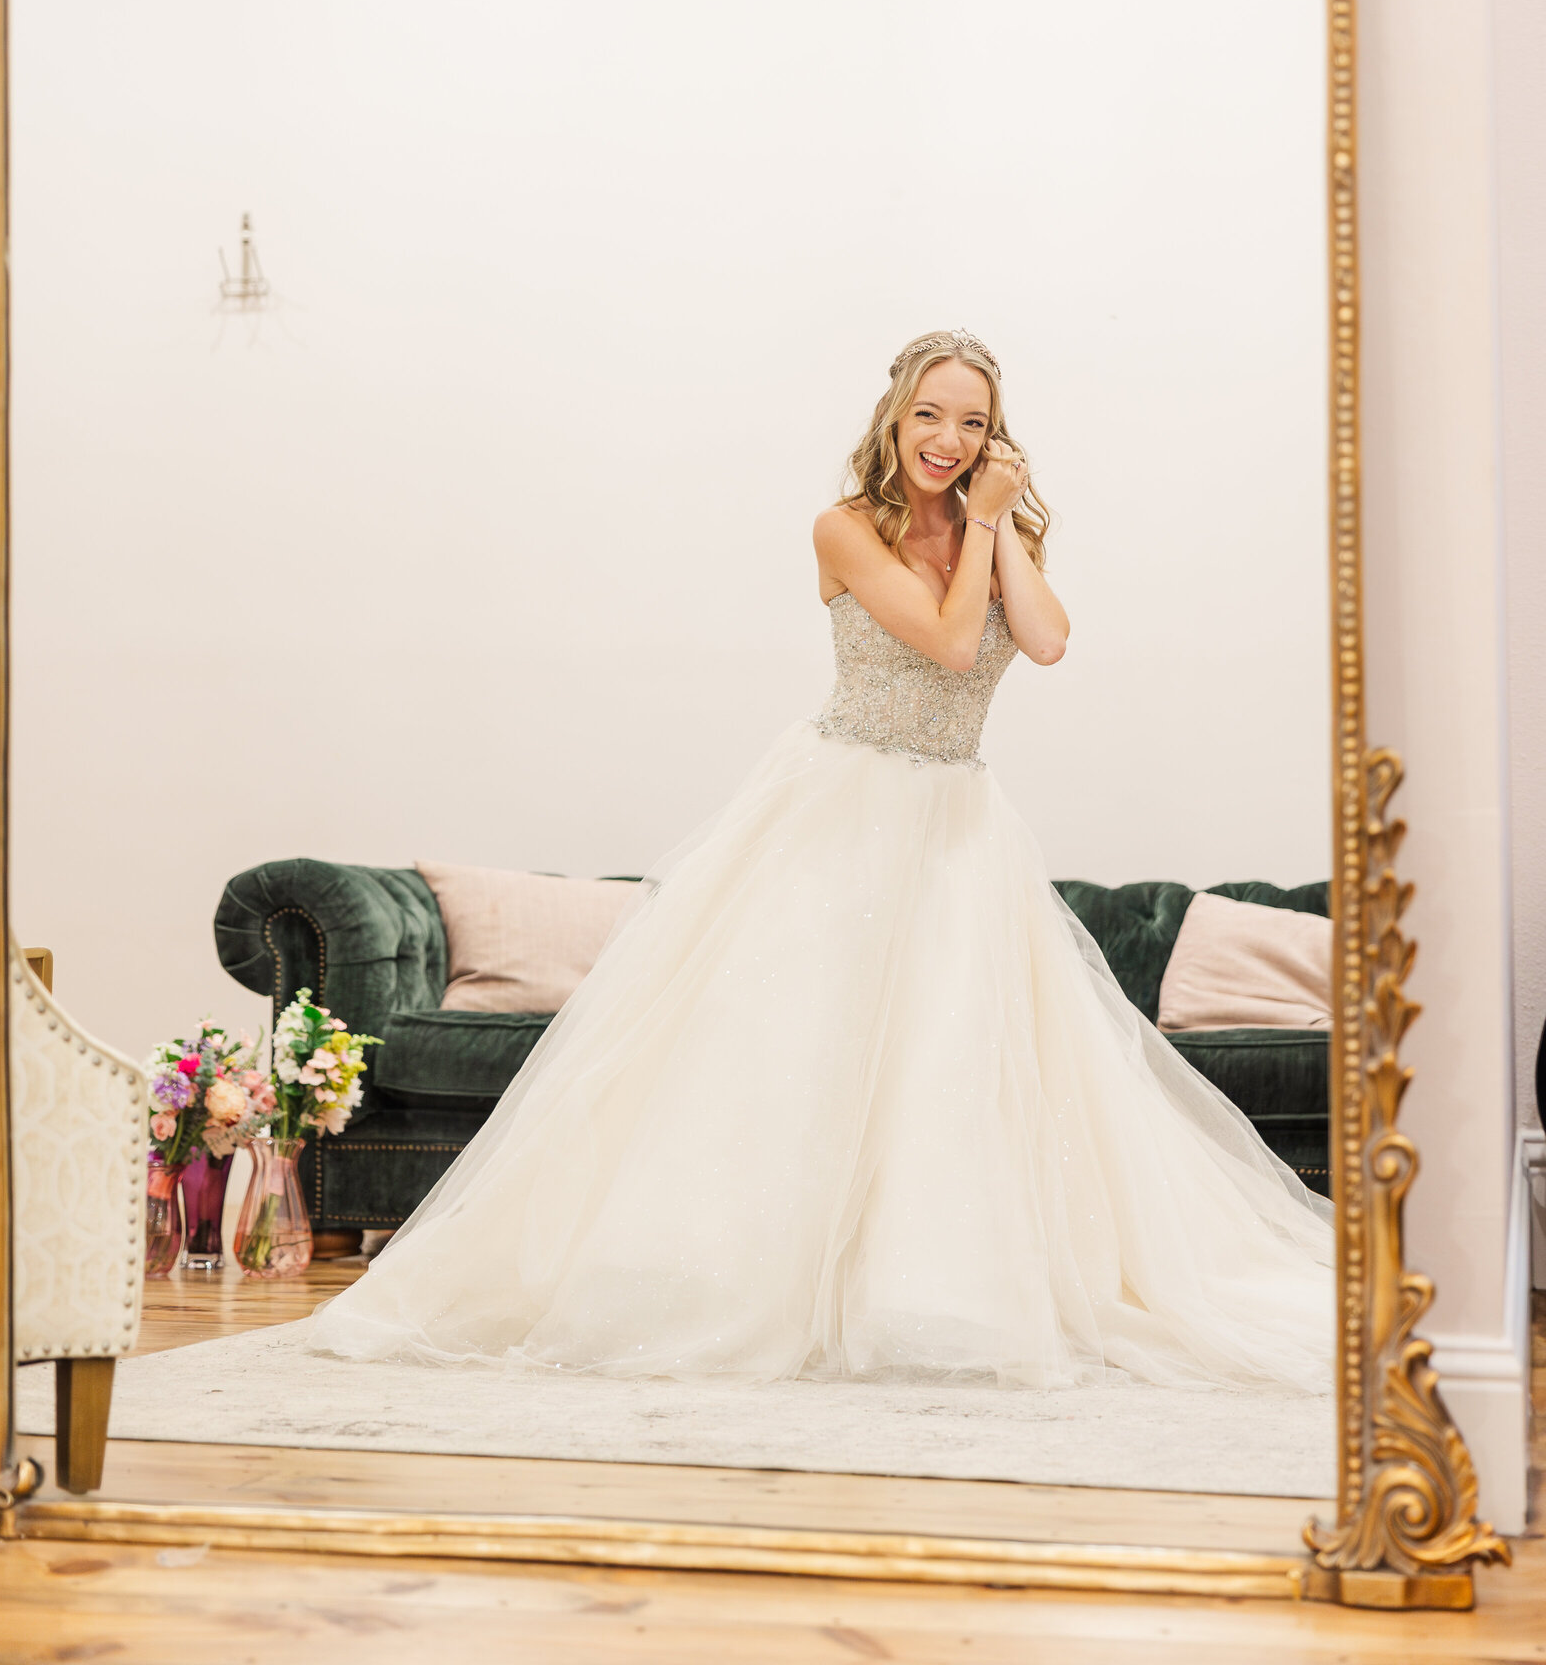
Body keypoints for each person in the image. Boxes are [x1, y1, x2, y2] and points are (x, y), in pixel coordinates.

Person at [302, 329, 1333, 1390]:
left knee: (945, 1058)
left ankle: (930, 1292)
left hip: (958, 824)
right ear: (894, 414)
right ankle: (740, 1283)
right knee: (800, 1053)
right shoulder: (843, 529)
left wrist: (1000, 524)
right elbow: (942, 639)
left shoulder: (988, 523)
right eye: (930, 413)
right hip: (845, 808)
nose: (947, 437)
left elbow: (1046, 638)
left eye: (972, 421)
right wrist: (977, 522)